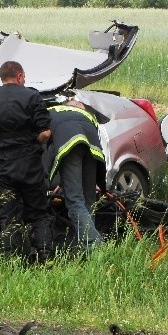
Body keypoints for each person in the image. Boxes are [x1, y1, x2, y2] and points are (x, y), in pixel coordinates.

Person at [0, 61, 54, 262]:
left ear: (1, 78)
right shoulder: (32, 96)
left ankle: (15, 260)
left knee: (8, 215)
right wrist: (34, 142)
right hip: (29, 165)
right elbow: (45, 132)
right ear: (20, 76)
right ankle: (45, 258)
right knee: (39, 214)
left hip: (3, 166)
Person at [44, 99, 106, 251]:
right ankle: (86, 245)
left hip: (71, 147)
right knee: (89, 198)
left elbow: (48, 150)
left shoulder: (50, 112)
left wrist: (45, 180)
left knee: (74, 200)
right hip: (93, 151)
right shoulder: (87, 115)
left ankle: (95, 245)